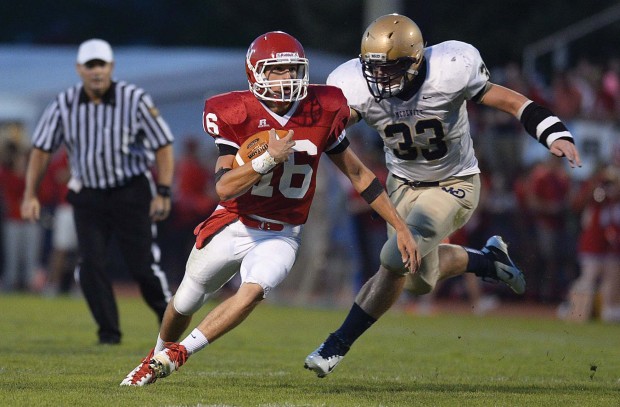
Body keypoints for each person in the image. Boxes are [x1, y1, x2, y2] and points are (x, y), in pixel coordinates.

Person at [119, 31, 417, 386]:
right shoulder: (233, 111)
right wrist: (265, 160)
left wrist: (400, 226)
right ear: (255, 73)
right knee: (185, 301)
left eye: (293, 69)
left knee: (254, 289)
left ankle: (179, 354)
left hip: (282, 232)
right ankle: (157, 354)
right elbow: (224, 188)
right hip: (235, 221)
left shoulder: (322, 108)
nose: (288, 78)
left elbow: (359, 174)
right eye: (277, 71)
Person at [304, 13, 582, 378]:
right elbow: (334, 125)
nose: (379, 77)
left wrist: (554, 134)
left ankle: (336, 345)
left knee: (393, 259)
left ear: (415, 60)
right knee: (420, 280)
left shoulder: (450, 68)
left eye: (390, 68)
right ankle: (487, 261)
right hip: (401, 186)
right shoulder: (354, 83)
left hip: (454, 184)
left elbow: (515, 103)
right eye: (373, 68)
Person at [21, 39, 175, 345]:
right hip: (89, 193)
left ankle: (169, 318)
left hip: (130, 190)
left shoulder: (134, 98)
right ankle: (109, 334)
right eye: (90, 65)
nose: (96, 72)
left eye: (101, 65)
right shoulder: (64, 103)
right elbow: (41, 150)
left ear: (111, 67)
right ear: (79, 69)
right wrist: (30, 194)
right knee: (89, 265)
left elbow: (163, 145)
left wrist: (163, 191)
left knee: (143, 266)